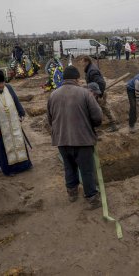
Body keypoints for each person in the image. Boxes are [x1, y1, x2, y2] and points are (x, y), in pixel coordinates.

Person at [47, 65, 103, 209]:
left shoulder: (53, 95)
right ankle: (92, 198)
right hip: (82, 139)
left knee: (69, 167)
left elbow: (50, 119)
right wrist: (91, 125)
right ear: (77, 79)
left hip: (62, 140)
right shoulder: (85, 93)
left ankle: (72, 193)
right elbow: (98, 116)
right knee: (86, 170)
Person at [82, 56, 118, 132]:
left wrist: (100, 94)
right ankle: (93, 127)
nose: (82, 64)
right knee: (99, 108)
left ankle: (113, 125)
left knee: (103, 108)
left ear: (87, 61)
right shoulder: (90, 68)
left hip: (98, 93)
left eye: (83, 62)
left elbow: (101, 83)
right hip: (94, 92)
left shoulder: (92, 70)